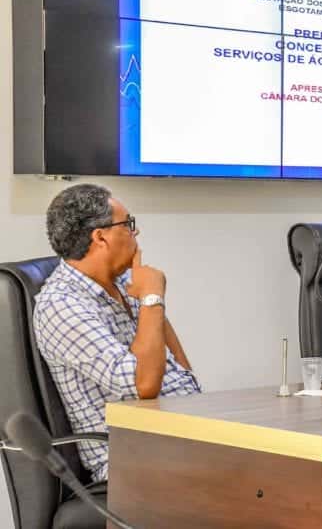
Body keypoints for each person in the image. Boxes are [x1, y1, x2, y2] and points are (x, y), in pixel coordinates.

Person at [34, 184, 200, 482]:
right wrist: (152, 296)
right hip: (132, 459)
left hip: (178, 436)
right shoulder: (61, 304)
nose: (136, 232)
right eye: (128, 224)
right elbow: (143, 385)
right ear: (100, 237)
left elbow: (177, 365)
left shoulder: (123, 282)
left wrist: (149, 300)